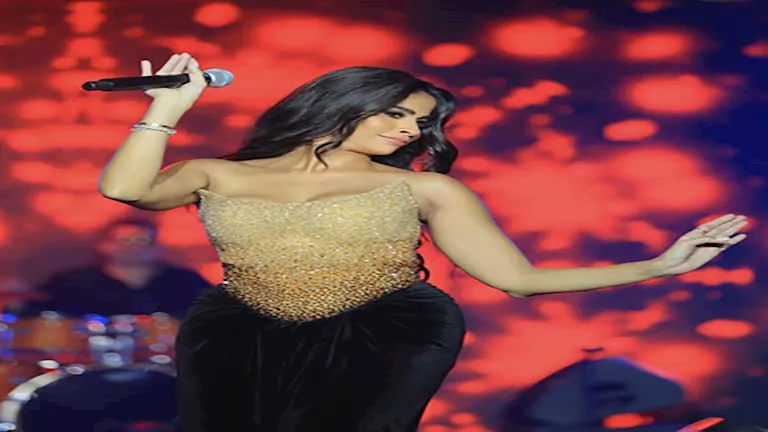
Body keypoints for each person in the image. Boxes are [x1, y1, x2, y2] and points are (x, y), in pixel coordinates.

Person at [97, 52, 748, 432]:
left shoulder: (425, 188)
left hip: (388, 328)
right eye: (397, 112)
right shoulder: (218, 173)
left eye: (421, 122)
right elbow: (125, 188)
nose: (410, 130)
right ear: (344, 102)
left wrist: (659, 266)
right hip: (237, 329)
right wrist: (167, 109)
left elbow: (518, 280)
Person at [21, 218, 211, 320]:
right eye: (123, 240)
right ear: (103, 245)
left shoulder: (185, 281)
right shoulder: (71, 283)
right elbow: (37, 316)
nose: (133, 247)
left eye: (142, 241)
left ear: (157, 247)